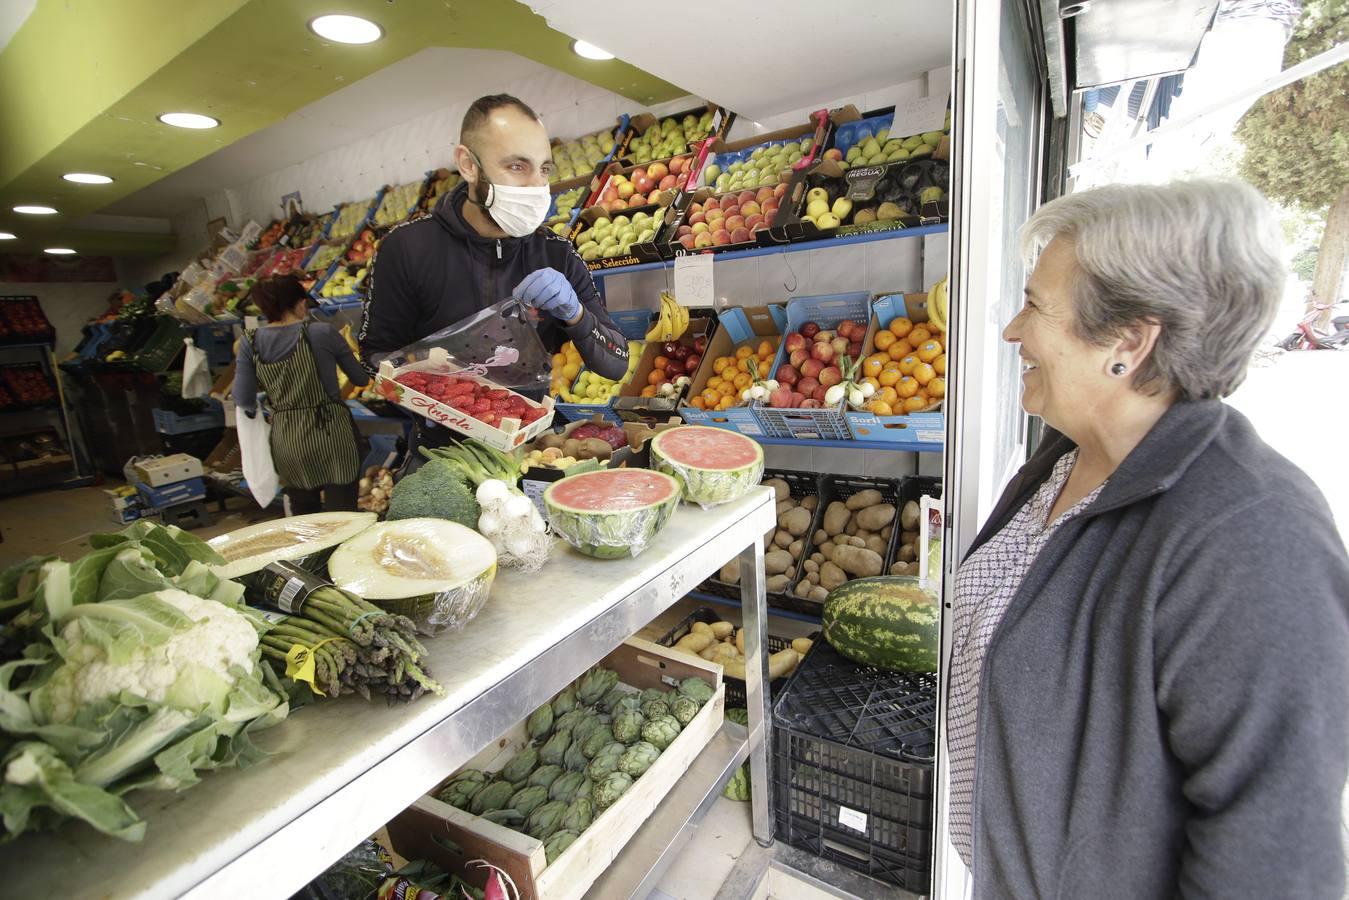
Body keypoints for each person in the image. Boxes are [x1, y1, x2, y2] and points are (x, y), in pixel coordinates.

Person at [947, 180, 1348, 898]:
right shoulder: (1063, 456)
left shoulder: (1252, 538)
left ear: (1127, 343)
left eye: (1035, 306)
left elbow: (1272, 863)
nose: (1012, 331)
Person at [359, 93, 629, 384]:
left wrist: (576, 314)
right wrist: (427, 382)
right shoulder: (406, 248)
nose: (537, 186)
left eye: (544, 169)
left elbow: (616, 363)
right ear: (468, 165)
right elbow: (375, 355)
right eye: (516, 166)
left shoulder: (556, 253)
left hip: (530, 427)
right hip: (438, 426)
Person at [234, 274, 370, 514]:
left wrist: (273, 403)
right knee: (342, 517)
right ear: (299, 303)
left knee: (304, 521)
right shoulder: (321, 333)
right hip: (333, 435)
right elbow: (360, 379)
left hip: (288, 439)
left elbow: (243, 400)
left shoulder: (250, 342)